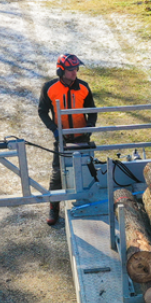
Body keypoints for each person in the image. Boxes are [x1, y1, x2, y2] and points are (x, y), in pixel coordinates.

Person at [37, 53, 97, 226]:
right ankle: (54, 207)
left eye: (76, 69)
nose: (74, 72)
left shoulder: (84, 87)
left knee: (87, 168)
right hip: (62, 138)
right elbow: (42, 111)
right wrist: (54, 129)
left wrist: (90, 125)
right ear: (60, 71)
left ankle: (86, 201)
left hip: (82, 136)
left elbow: (92, 110)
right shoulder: (49, 88)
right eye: (70, 69)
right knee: (57, 174)